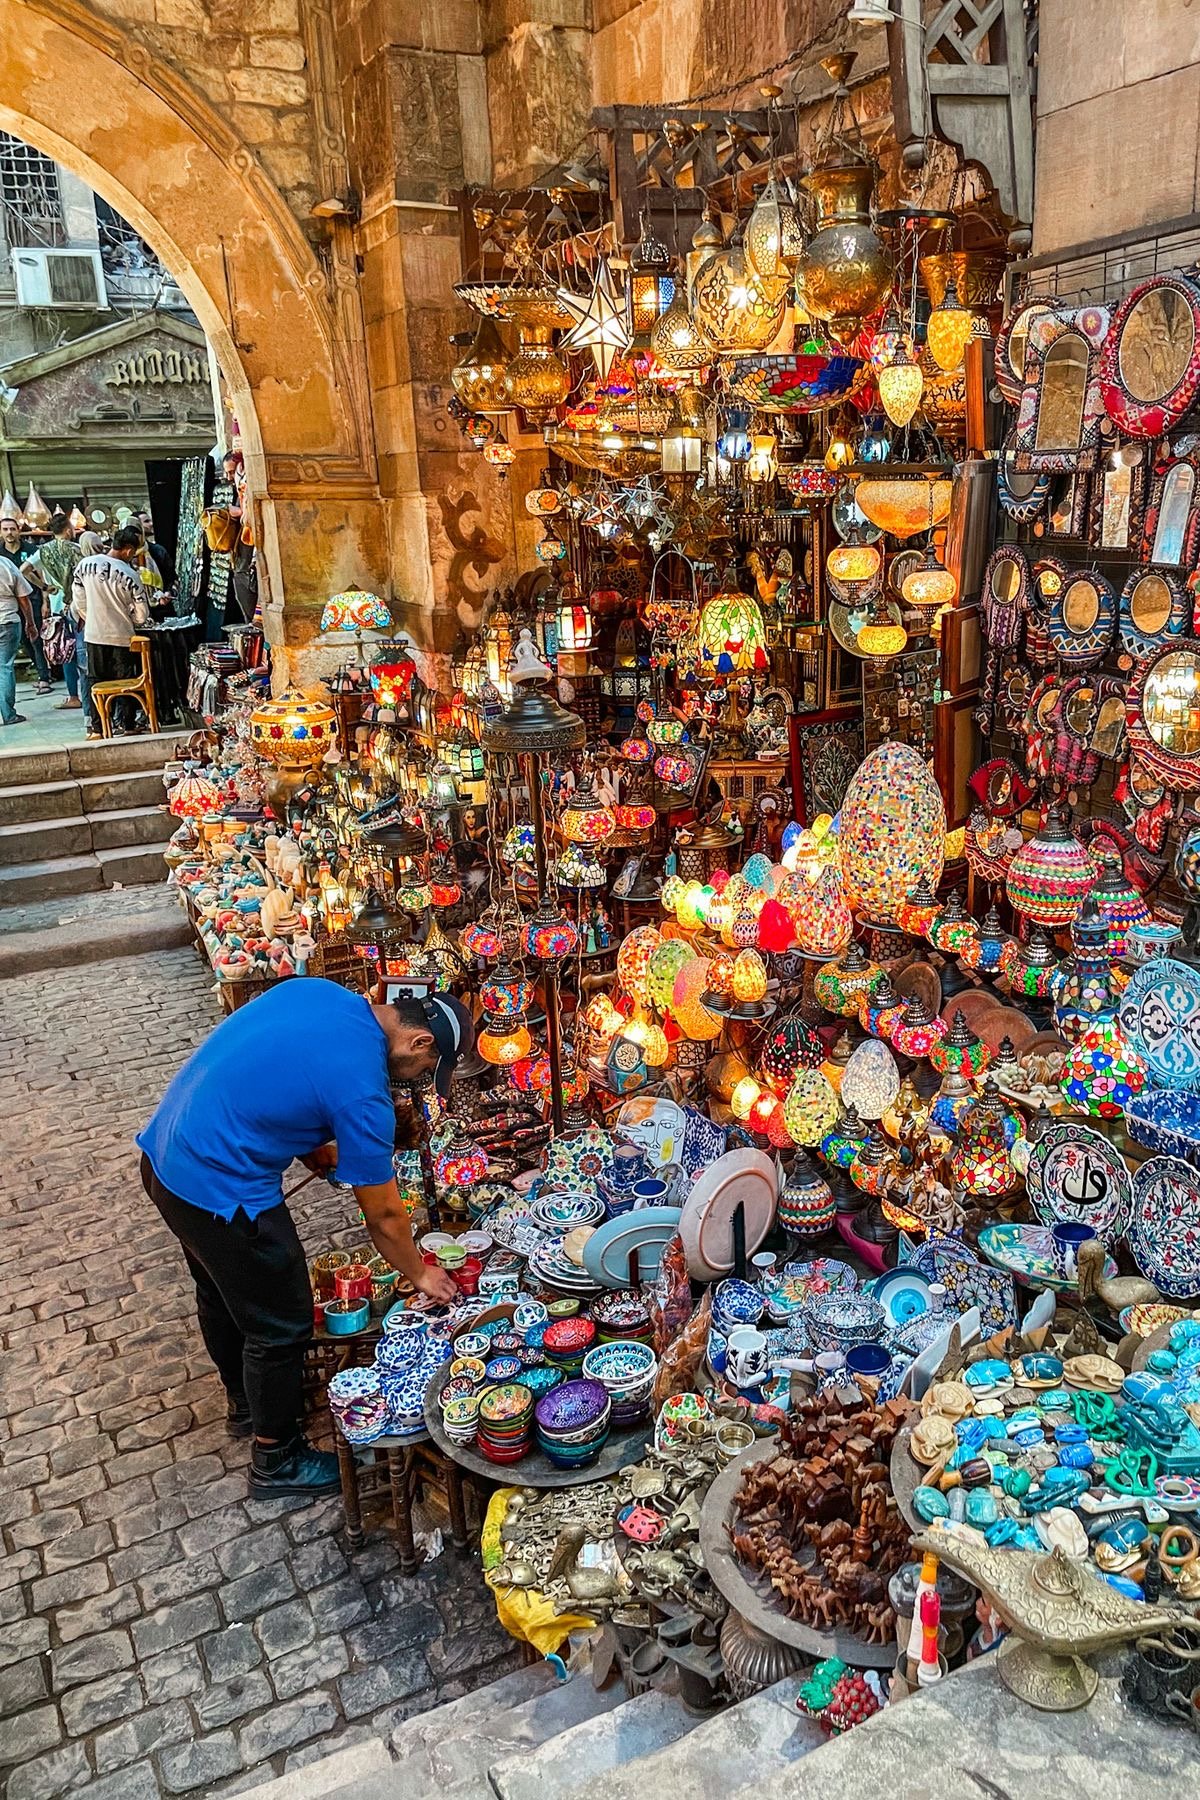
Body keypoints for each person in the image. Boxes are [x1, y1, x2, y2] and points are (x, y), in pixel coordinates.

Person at [138, 982, 474, 1497]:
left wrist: (310, 1144)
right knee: (281, 1319)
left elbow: (278, 1070)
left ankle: (248, 1404)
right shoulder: (363, 1091)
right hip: (220, 1187)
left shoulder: (325, 995)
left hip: (167, 1156)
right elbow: (384, 1215)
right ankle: (277, 1457)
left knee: (223, 1290)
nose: (419, 1081)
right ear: (420, 1043)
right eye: (427, 1071)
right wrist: (420, 1272)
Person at [72, 525, 150, 735]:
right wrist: (132, 618)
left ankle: (98, 727)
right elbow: (142, 614)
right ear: (128, 550)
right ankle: (128, 725)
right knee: (124, 683)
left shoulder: (84, 565)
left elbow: (78, 598)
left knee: (96, 681)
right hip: (121, 636)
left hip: (94, 634)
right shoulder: (130, 573)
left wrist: (91, 617)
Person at [0, 517, 53, 695]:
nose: (9, 533)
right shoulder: (0, 554)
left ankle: (44, 677)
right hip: (10, 606)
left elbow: (42, 575)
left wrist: (45, 600)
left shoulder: (30, 550)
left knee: (36, 637)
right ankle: (40, 672)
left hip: (32, 600)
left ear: (18, 531)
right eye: (5, 529)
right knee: (23, 639)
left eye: (12, 529)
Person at [37, 514, 83, 710]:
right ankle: (90, 694)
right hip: (78, 606)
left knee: (66, 651)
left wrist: (45, 587)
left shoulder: (42, 551)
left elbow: (24, 569)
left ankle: (73, 696)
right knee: (82, 649)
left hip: (57, 606)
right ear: (67, 530)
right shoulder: (76, 549)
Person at [0, 553, 34, 727]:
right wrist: (31, 623)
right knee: (4, 667)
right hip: (7, 621)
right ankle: (8, 714)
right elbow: (23, 597)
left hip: (7, 620)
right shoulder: (5, 564)